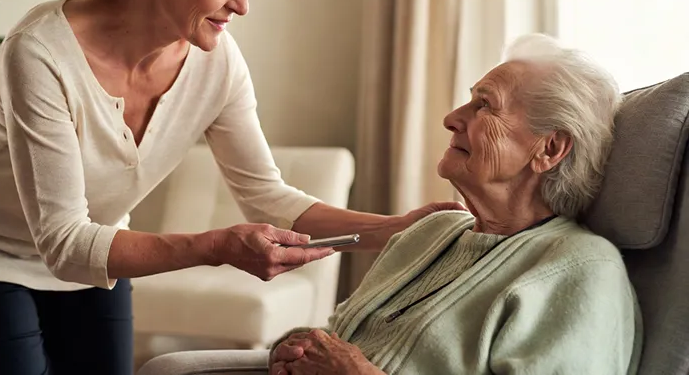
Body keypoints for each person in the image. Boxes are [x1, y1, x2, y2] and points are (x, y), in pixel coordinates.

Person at [0, 0, 462, 375]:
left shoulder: (216, 62)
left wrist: (396, 231)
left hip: (95, 253)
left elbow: (268, 198)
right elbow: (64, 243)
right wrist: (216, 246)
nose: (243, 3)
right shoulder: (40, 52)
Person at [269, 34, 643, 375]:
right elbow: (342, 335)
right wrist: (297, 347)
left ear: (550, 148)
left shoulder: (583, 270)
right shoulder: (432, 231)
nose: (451, 119)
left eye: (484, 105)